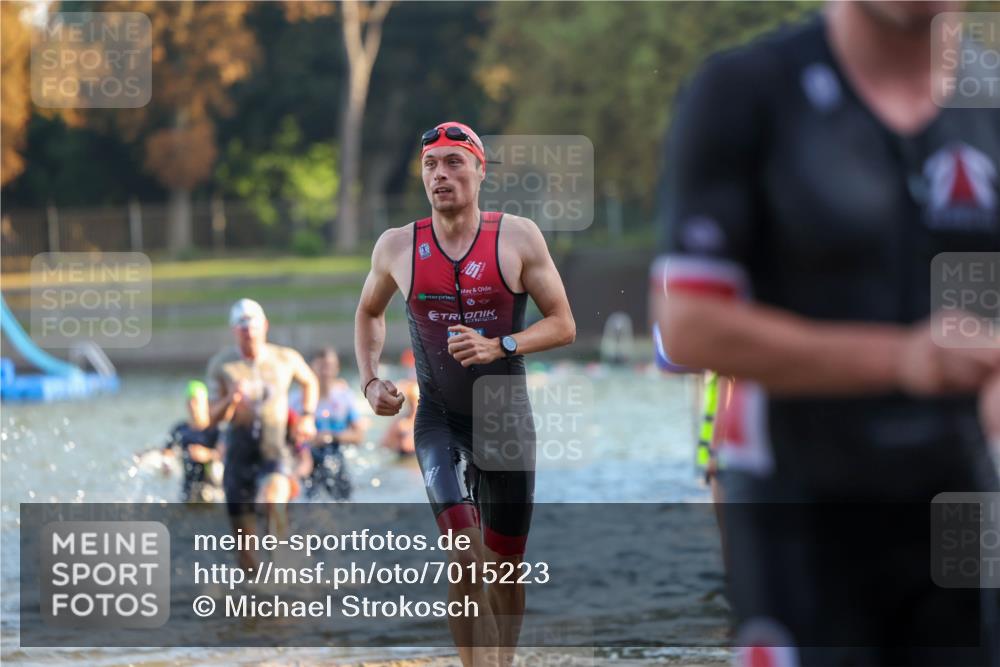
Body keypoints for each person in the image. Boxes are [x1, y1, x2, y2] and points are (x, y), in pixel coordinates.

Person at [653, 2, 1000, 664]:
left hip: (962, 514)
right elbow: (687, 327)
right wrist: (903, 360)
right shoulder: (744, 91)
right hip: (801, 519)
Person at [355, 121, 575, 667]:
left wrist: (501, 343)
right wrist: (370, 378)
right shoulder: (398, 246)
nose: (441, 175)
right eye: (431, 165)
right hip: (440, 422)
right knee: (466, 557)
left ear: (480, 169)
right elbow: (368, 312)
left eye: (454, 162)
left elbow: (564, 324)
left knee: (504, 569)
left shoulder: (518, 237)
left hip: (505, 423)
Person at [206, 298, 319, 569]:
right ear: (234, 331)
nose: (248, 331)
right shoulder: (222, 365)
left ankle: (285, 570)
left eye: (253, 324)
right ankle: (255, 595)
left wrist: (307, 416)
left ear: (265, 326)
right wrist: (230, 400)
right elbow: (210, 416)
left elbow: (310, 381)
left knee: (272, 501)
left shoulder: (285, 358)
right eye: (241, 326)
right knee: (247, 556)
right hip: (239, 454)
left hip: (275, 450)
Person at [291, 347, 366, 501]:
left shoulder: (345, 397)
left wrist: (331, 436)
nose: (326, 373)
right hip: (306, 457)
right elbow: (286, 438)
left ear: (337, 369)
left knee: (344, 504)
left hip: (336, 456)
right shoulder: (295, 401)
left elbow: (358, 436)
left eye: (330, 367)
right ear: (311, 369)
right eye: (321, 367)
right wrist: (309, 441)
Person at [162, 380, 224, 503]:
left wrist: (208, 455)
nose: (192, 406)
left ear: (206, 403)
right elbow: (167, 451)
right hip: (187, 491)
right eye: (189, 401)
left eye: (196, 401)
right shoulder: (180, 429)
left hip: (213, 491)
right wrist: (166, 464)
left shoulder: (216, 430)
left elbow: (227, 455)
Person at [380, 379, 419, 458]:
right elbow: (384, 444)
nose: (414, 405)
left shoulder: (430, 422)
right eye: (412, 401)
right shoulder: (401, 423)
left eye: (418, 401)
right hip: (404, 457)